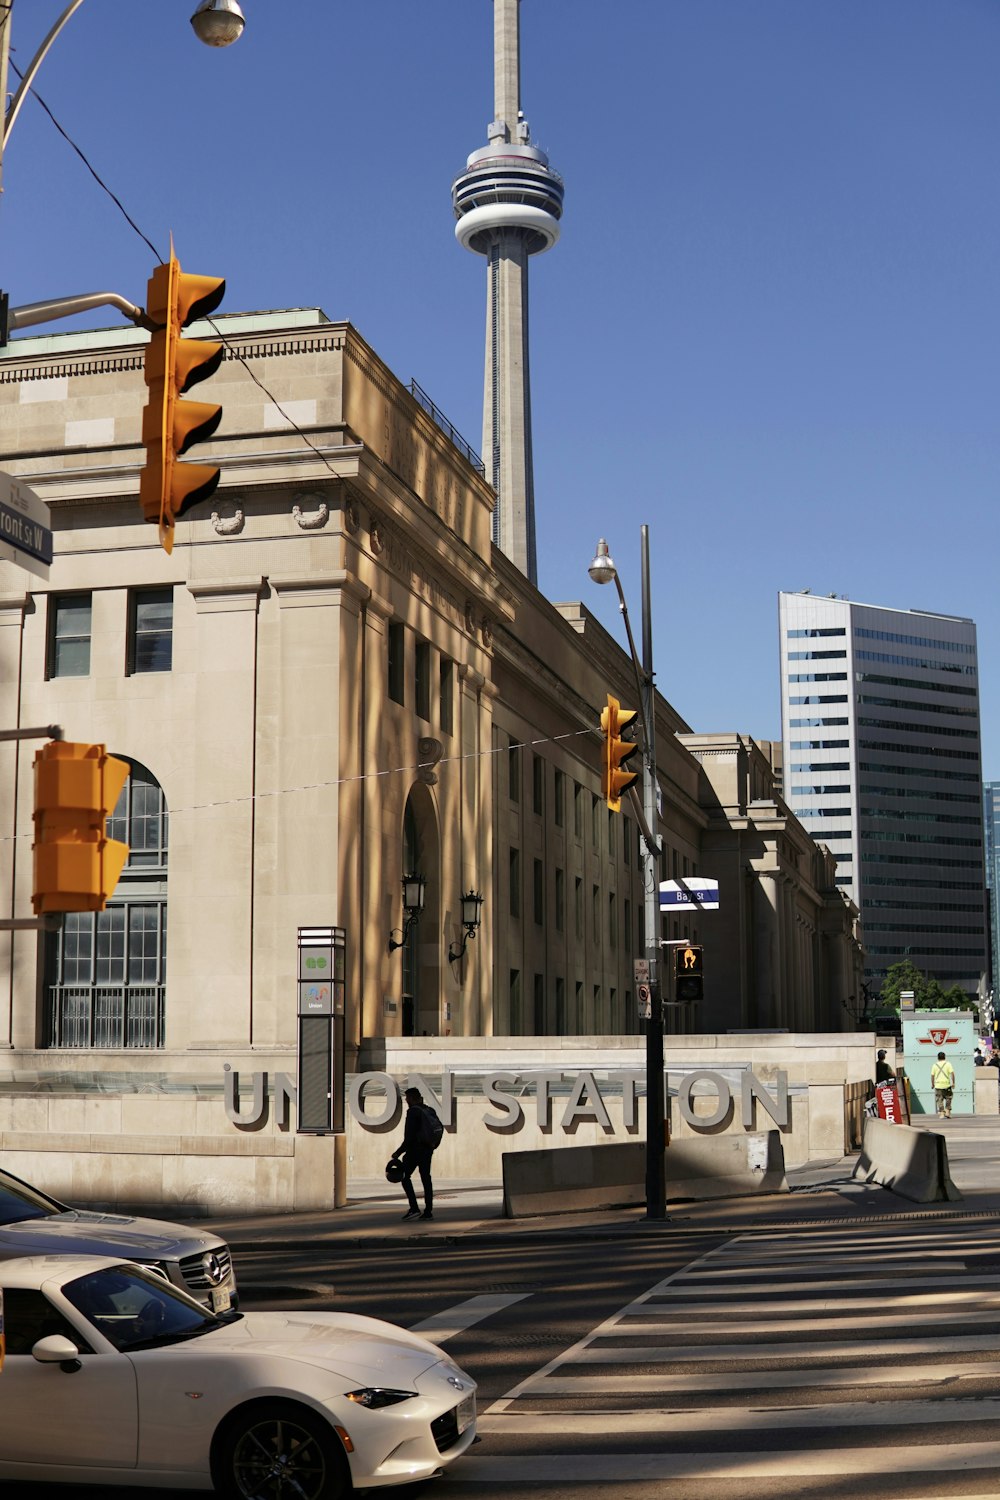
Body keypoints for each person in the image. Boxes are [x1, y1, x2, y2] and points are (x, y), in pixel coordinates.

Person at [390, 1086, 436, 1221]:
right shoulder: (429, 1110)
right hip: (428, 1150)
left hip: (414, 1151)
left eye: (407, 1098)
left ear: (411, 1098)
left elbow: (409, 1137)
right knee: (426, 1178)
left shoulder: (412, 1112)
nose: (406, 1100)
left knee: (404, 1177)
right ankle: (428, 1211)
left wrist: (398, 1153)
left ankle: (414, 1208)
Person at [931, 1051, 956, 1118]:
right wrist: (953, 1083)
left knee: (939, 1099)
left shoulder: (934, 1065)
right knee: (948, 1098)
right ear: (944, 1057)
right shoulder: (948, 1064)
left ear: (938, 1058)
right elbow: (952, 1074)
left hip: (938, 1085)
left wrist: (932, 1084)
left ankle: (942, 1113)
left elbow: (932, 1075)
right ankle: (947, 1111)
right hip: (947, 1085)